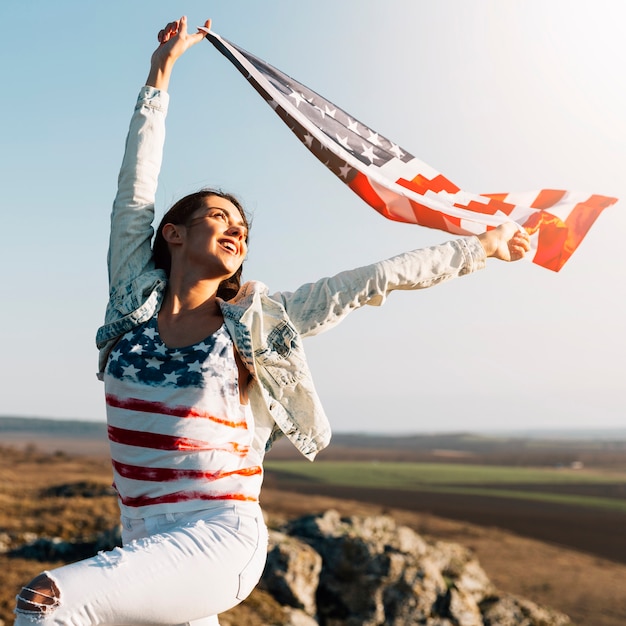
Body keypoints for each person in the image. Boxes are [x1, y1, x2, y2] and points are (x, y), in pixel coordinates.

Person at [14, 16, 530, 626]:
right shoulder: (132, 306)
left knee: (46, 602)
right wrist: (160, 73)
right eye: (218, 216)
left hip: (219, 537)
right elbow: (134, 191)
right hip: (145, 544)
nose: (236, 229)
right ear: (172, 235)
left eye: (243, 228)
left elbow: (372, 281)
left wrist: (482, 247)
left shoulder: (257, 324)